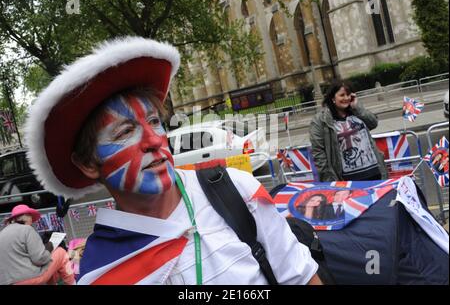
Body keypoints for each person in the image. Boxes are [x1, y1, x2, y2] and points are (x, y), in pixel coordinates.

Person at [25, 37, 321, 285]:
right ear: (89, 164)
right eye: (126, 131)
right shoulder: (102, 273)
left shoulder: (237, 191)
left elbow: (302, 278)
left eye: (154, 121)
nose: (154, 140)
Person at [309, 80, 387, 182]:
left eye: (348, 94)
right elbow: (318, 153)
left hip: (374, 172)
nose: (346, 98)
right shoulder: (320, 120)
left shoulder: (356, 111)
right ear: (333, 98)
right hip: (347, 179)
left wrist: (357, 107)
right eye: (342, 95)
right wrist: (330, 180)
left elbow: (373, 123)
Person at [0, 204, 75, 285]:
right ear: (26, 216)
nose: (32, 221)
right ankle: (73, 283)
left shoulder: (2, 233)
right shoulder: (27, 229)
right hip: (28, 278)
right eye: (31, 217)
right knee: (60, 252)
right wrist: (48, 248)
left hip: (6, 281)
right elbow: (40, 259)